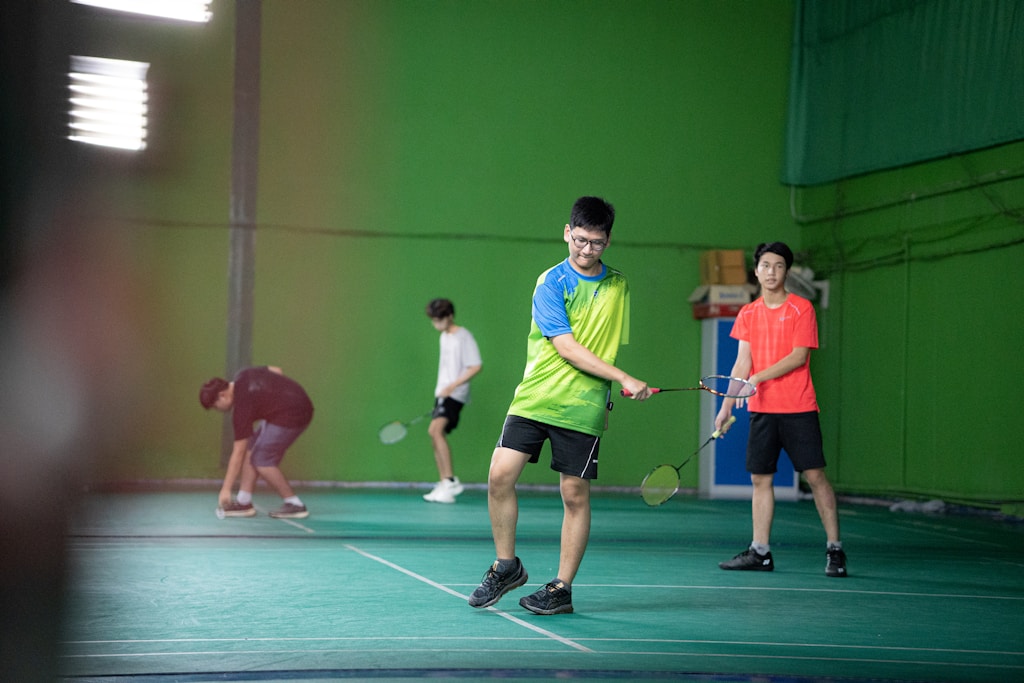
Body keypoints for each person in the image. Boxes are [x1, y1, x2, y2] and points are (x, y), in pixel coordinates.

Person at [467, 196, 652, 615]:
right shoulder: (550, 282)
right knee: (500, 475)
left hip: (583, 404)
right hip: (536, 396)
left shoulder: (618, 286)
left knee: (574, 493)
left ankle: (561, 588)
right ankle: (506, 565)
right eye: (581, 240)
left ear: (608, 241)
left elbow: (605, 343)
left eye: (598, 243)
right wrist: (623, 377)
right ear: (567, 232)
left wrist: (608, 390)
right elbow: (566, 346)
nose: (587, 250)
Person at [714, 242, 847, 577]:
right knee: (761, 478)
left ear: (786, 271)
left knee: (815, 476)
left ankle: (835, 549)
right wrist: (726, 406)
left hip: (798, 406)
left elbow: (798, 356)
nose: (771, 271)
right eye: (765, 265)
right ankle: (760, 551)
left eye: (778, 266)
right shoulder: (748, 313)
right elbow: (742, 362)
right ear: (756, 271)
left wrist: (758, 376)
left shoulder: (801, 309)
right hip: (763, 409)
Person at [200, 365, 314, 519]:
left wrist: (226, 489)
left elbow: (238, 453)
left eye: (215, 406)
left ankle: (295, 504)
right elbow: (276, 370)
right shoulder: (243, 374)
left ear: (223, 395)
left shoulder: (242, 409)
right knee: (252, 445)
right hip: (292, 405)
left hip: (295, 414)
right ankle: (244, 502)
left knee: (262, 460)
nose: (217, 409)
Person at [423, 298, 483, 504]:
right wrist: (442, 390)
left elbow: (475, 366)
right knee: (434, 435)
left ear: (449, 316)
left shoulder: (463, 337)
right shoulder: (444, 337)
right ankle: (444, 484)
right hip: (442, 393)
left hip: (455, 394)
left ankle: (450, 480)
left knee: (435, 431)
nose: (436, 324)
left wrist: (453, 386)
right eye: (433, 320)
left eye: (439, 319)